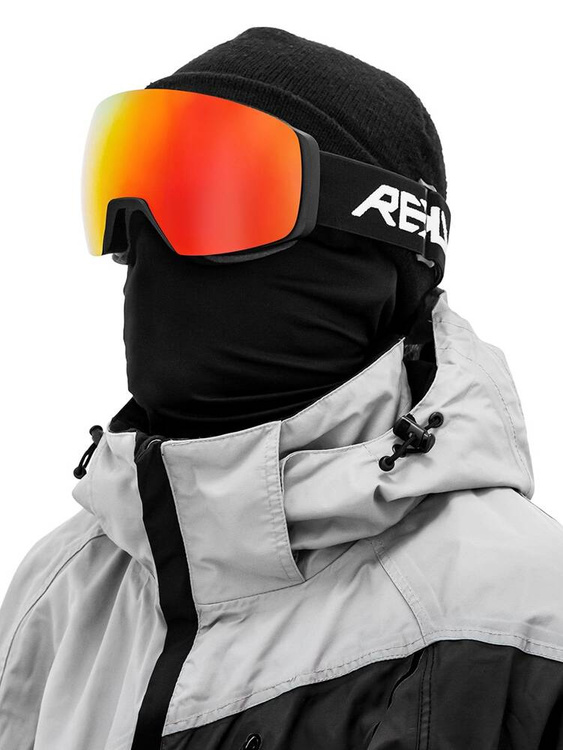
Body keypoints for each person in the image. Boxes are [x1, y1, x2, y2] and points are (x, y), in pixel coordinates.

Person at [0, 26, 562, 750]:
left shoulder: (520, 613)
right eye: (133, 206)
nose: (148, 245)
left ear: (380, 239)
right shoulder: (63, 589)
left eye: (217, 200)